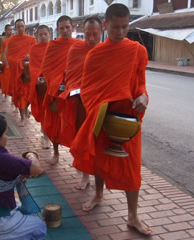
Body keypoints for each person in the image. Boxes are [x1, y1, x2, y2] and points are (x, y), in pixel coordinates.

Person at [70, 4, 152, 235]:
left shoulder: (137, 51)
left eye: (125, 27)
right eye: (115, 27)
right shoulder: (94, 54)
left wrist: (144, 97)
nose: (120, 31)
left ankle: (133, 216)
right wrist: (100, 108)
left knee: (132, 167)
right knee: (98, 159)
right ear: (106, 25)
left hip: (127, 120)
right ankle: (98, 194)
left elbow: (141, 85)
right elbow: (87, 89)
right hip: (103, 117)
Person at [58, 16, 102, 190]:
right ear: (82, 32)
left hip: (100, 104)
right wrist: (74, 88)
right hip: (80, 102)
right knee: (82, 139)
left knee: (98, 143)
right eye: (87, 34)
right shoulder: (76, 49)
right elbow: (70, 75)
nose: (91, 38)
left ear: (102, 31)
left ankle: (98, 186)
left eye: (95, 34)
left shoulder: (106, 51)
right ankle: (85, 175)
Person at [40, 15, 80, 164]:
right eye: (61, 28)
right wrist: (56, 81)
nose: (65, 31)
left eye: (67, 27)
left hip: (73, 91)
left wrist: (72, 81)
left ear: (73, 27)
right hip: (56, 90)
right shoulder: (53, 46)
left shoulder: (79, 45)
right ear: (57, 30)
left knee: (76, 125)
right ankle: (56, 153)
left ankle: (79, 162)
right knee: (55, 123)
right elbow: (46, 67)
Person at [5, 19, 36, 127]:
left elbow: (35, 54)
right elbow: (9, 56)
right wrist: (16, 62)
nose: (20, 28)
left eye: (22, 26)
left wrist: (29, 57)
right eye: (18, 27)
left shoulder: (31, 39)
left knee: (28, 94)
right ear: (15, 28)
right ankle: (22, 116)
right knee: (19, 94)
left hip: (27, 71)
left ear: (25, 27)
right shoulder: (12, 40)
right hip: (16, 72)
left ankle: (26, 109)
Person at [28, 25, 52, 149]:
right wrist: (36, 77)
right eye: (40, 34)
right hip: (40, 84)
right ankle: (46, 136)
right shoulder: (35, 49)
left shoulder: (54, 47)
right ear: (37, 36)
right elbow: (32, 66)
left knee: (53, 111)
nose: (43, 36)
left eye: (45, 34)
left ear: (49, 34)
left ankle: (51, 136)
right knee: (44, 111)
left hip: (53, 84)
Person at [0, 24, 13, 98]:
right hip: (4, 62)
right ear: (5, 30)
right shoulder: (1, 39)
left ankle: (12, 98)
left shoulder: (14, 38)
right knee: (5, 80)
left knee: (12, 81)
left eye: (11, 30)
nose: (10, 31)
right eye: (9, 30)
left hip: (12, 62)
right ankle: (5, 93)